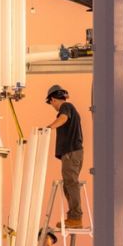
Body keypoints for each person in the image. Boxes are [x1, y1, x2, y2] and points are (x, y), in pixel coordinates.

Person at [47, 85, 86, 227]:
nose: (52, 106)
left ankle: (76, 217)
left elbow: (63, 118)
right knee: (68, 185)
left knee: (71, 183)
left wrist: (49, 127)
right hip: (71, 153)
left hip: (71, 152)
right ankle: (73, 217)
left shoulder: (66, 107)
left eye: (51, 103)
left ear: (52, 99)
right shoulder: (70, 107)